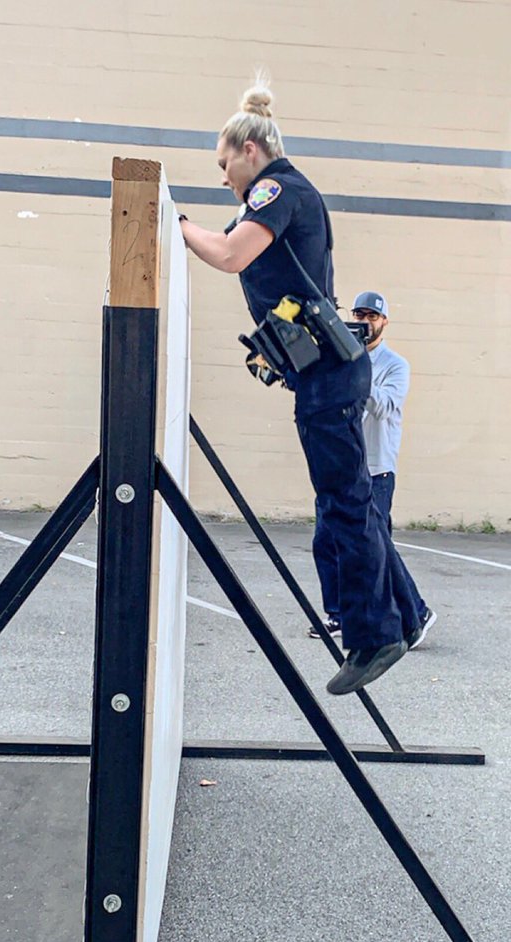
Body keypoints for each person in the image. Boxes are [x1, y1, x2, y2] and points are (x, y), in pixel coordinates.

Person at [179, 78, 424, 695]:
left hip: (330, 378)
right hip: (324, 372)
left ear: (251, 149)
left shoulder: (277, 188)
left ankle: (375, 637)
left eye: (224, 162)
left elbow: (232, 255)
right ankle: (407, 617)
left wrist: (176, 223)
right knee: (352, 503)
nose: (223, 176)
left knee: (344, 505)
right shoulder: (278, 192)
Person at [309, 291, 435, 647]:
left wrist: (353, 372)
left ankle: (417, 611)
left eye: (372, 317)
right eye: (360, 315)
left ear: (384, 322)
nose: (365, 322)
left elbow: (385, 406)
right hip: (340, 465)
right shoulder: (340, 357)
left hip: (376, 469)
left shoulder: (395, 365)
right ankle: (337, 615)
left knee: (375, 546)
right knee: (325, 540)